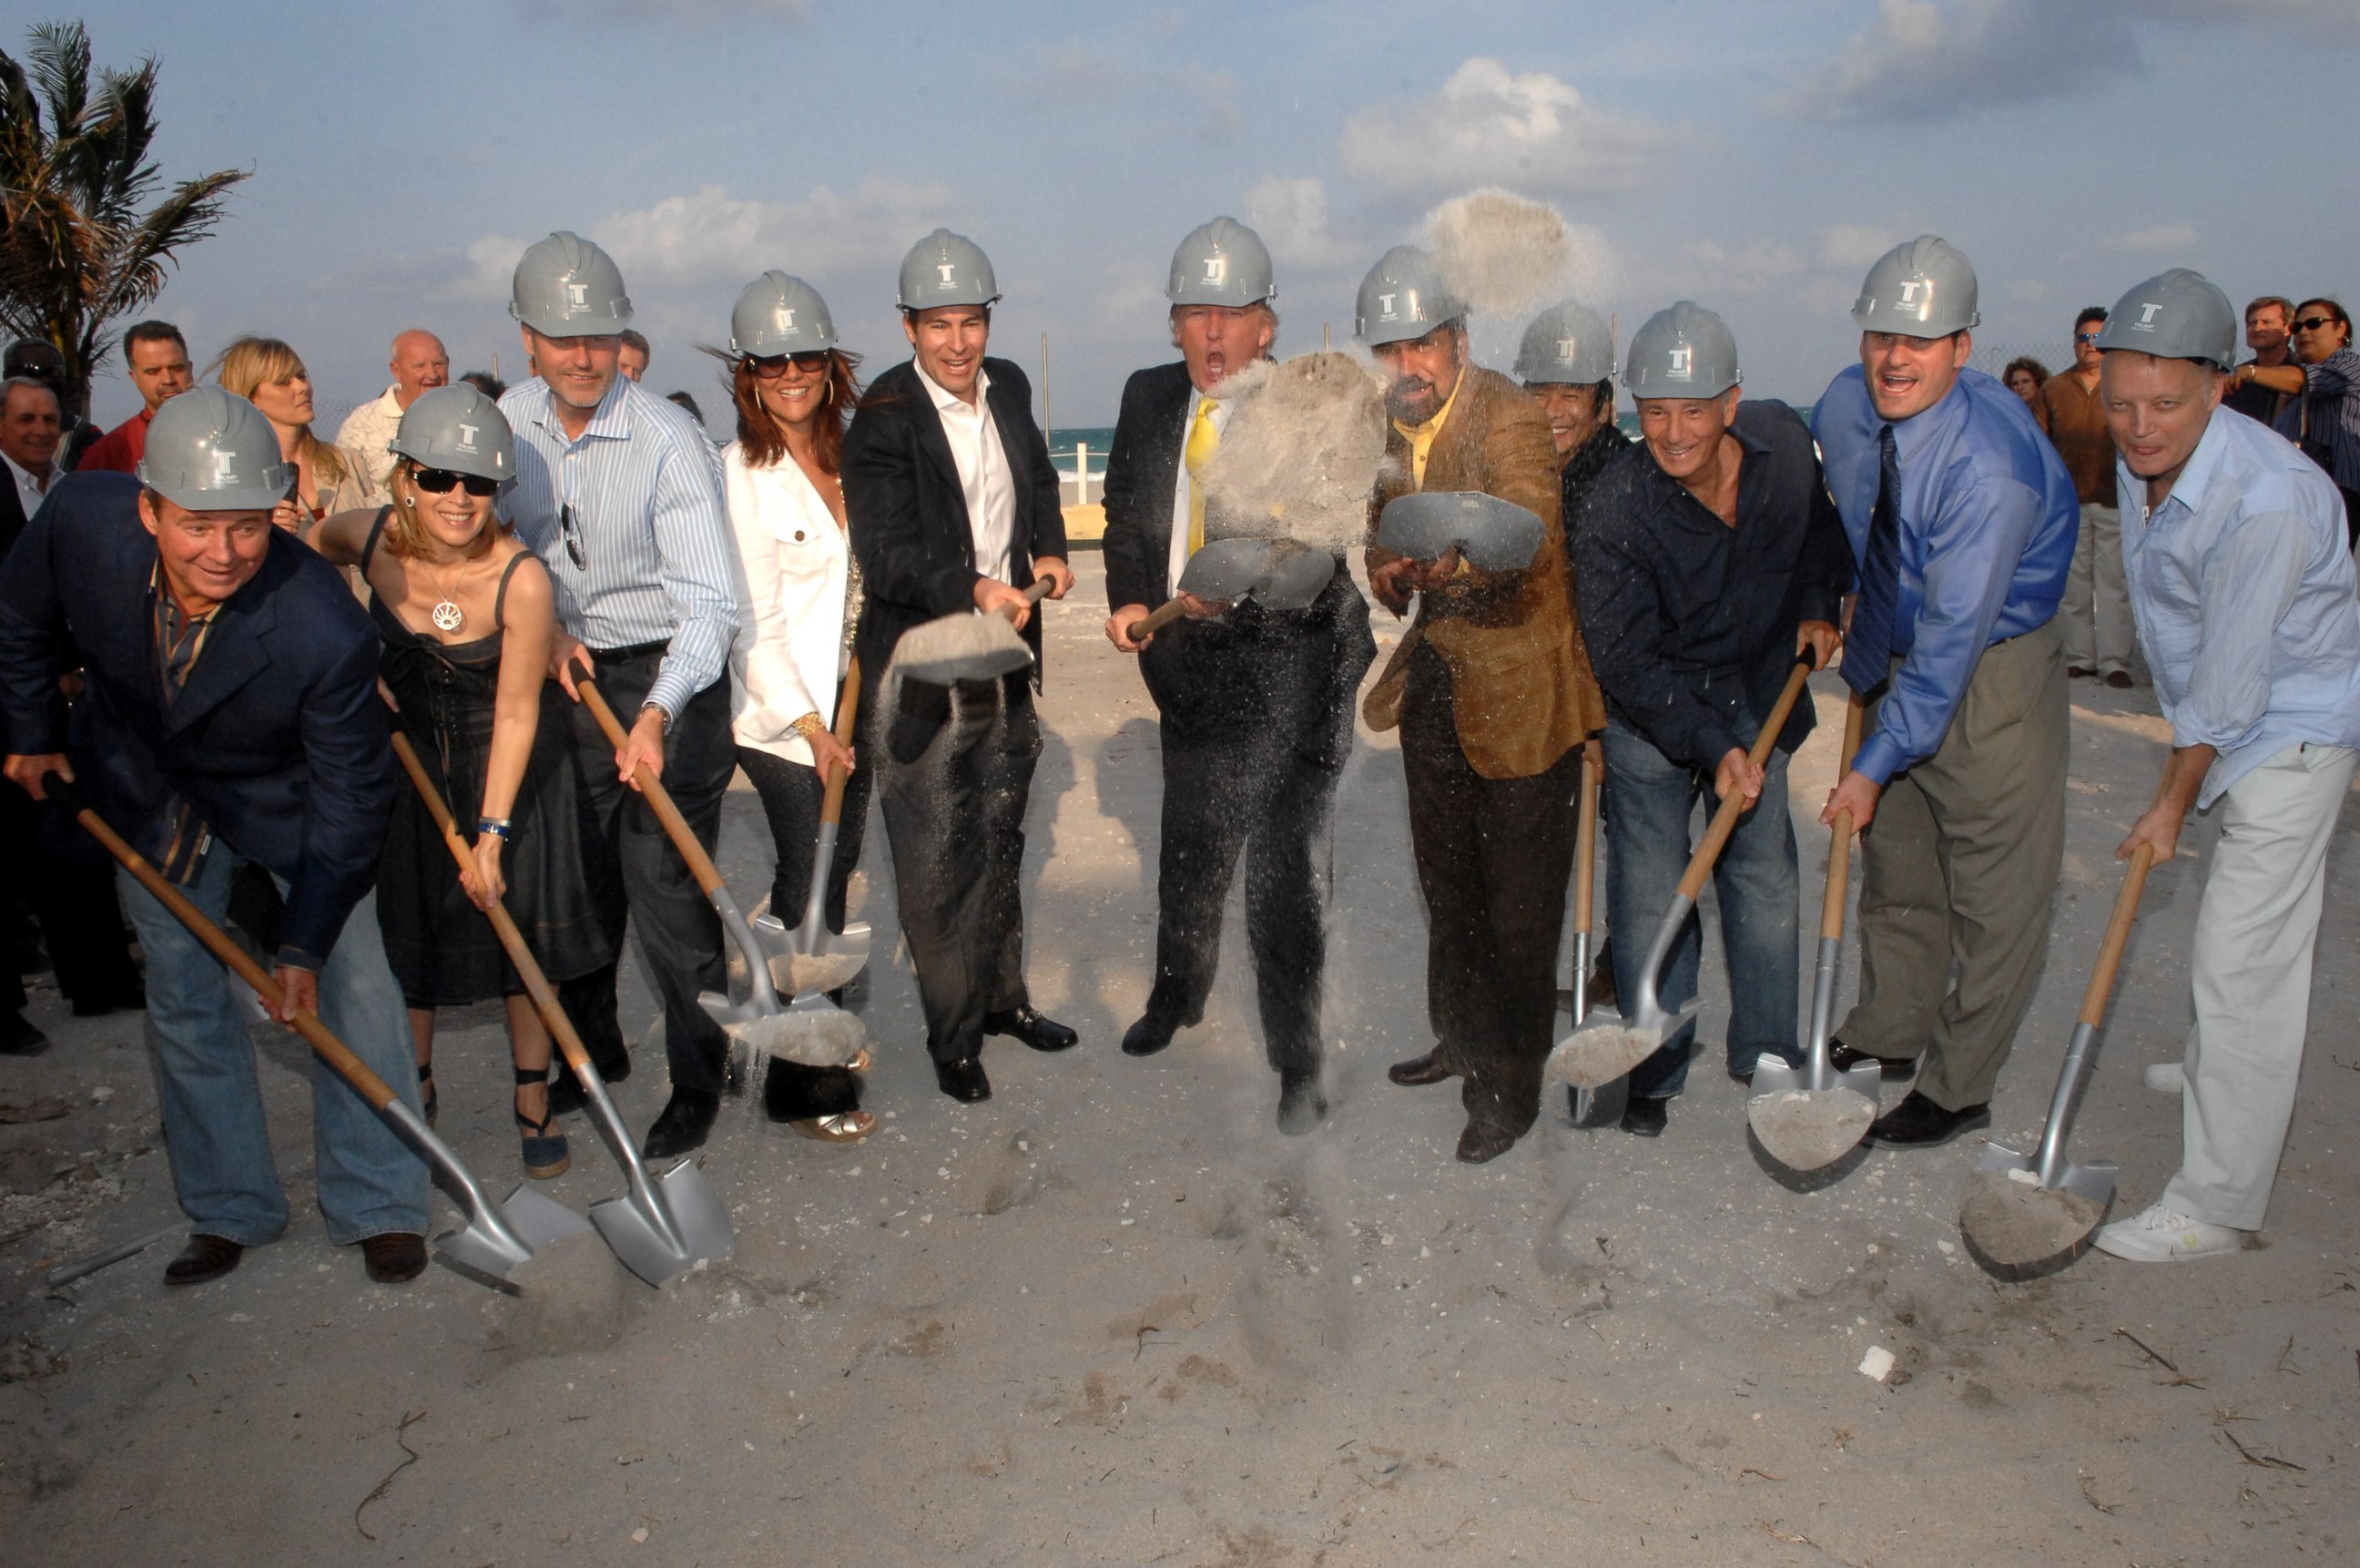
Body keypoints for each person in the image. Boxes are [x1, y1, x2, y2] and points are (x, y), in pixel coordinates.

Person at [0, 388, 431, 1286]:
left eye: (246, 527)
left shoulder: (320, 623)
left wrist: (302, 943)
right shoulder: (82, 520)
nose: (225, 552)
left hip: (286, 794)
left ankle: (381, 1202)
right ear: (149, 508)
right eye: (198, 525)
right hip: (145, 779)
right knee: (187, 993)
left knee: (351, 979)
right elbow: (21, 615)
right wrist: (34, 730)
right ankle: (230, 1205)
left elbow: (354, 798)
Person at [2087, 270, 2360, 1261]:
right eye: (2120, 403)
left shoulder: (2269, 501)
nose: (2140, 426)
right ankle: (2218, 1064)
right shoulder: (2143, 455)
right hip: (2227, 712)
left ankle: (2217, 1206)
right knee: (2232, 939)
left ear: (2218, 387)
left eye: (2164, 404)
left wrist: (2169, 801)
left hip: (2290, 728)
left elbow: (2236, 687)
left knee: (2246, 960)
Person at [1100, 217, 1375, 1134]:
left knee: (1284, 871)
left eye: (1233, 313)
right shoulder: (1148, 398)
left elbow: (1326, 540)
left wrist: (1253, 578)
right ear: (1173, 324)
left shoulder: (1308, 407)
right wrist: (1133, 601)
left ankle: (1297, 1060)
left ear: (1269, 326)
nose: (1213, 335)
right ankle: (1178, 994)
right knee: (1188, 846)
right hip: (1187, 658)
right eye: (1194, 314)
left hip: (1289, 657)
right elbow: (1126, 517)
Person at [1813, 235, 2079, 1150]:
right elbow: (1842, 520)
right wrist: (1839, 602)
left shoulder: (1987, 469)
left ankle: (1960, 1087)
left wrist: (1873, 762)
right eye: (1882, 334)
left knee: (1996, 896)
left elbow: (1955, 643)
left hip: (1992, 675)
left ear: (1962, 347)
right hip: (1896, 643)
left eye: (1920, 342)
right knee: (1899, 866)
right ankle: (1889, 1028)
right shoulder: (1847, 405)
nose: (1894, 357)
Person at [311, 385, 614, 1178]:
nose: (458, 498)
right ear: (405, 476)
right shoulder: (368, 535)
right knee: (409, 937)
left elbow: (518, 713)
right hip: (410, 766)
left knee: (521, 945)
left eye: (478, 483)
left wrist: (492, 834)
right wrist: (345, 657)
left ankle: (532, 1100)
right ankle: (416, 1096)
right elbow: (309, 552)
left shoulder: (520, 578)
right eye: (440, 477)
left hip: (509, 774)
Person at [1575, 302, 1851, 1135]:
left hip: (1759, 686)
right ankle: (1654, 1066)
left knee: (1763, 874)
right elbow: (1624, 660)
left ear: (1732, 405)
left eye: (1693, 410)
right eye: (1654, 411)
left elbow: (1820, 536)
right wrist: (1712, 744)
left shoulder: (1784, 456)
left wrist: (1814, 603)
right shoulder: (1615, 507)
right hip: (1653, 713)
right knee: (1653, 886)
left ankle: (1767, 1051)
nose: (1673, 432)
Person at [497, 231, 741, 1157]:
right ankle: (595, 1047)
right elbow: (476, 544)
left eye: (600, 336)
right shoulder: (507, 426)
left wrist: (653, 716)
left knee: (666, 891)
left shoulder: (668, 440)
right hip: (559, 671)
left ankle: (697, 1078)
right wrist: (542, 625)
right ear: (528, 338)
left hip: (667, 676)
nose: (585, 356)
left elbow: (710, 609)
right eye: (564, 339)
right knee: (574, 878)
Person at [1358, 245, 1589, 1164]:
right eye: (1392, 348)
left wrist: (1453, 561)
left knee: (1519, 905)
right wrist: (1386, 568)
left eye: (1424, 345)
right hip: (1437, 681)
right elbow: (1384, 524)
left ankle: (1510, 1090)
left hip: (1524, 689)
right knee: (1447, 882)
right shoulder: (1390, 424)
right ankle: (1457, 1037)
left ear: (1458, 337)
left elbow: (1526, 527)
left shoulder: (1511, 416)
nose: (1408, 365)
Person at [840, 228, 1076, 1105]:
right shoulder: (882, 418)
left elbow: (1041, 484)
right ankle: (953, 1036)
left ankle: (1004, 1001)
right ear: (908, 327)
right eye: (937, 324)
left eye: (969, 321)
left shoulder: (1007, 386)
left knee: (1002, 840)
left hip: (1008, 665)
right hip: (926, 678)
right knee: (936, 859)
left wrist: (1047, 554)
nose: (957, 343)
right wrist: (974, 585)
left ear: (988, 321)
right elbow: (888, 552)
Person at [717, 270, 874, 1142]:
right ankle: (801, 1079)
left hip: (856, 701)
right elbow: (754, 620)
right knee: (811, 880)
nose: (789, 373)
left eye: (804, 356)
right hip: (785, 721)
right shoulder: (742, 472)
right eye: (769, 360)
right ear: (747, 371)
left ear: (829, 360)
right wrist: (810, 729)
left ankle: (800, 1025)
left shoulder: (855, 450)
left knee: (836, 877)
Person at [0, 375, 147, 1030]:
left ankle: (100, 981)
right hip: (20, 704)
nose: (38, 430)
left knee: (79, 842)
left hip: (78, 700)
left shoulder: (64, 490)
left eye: (48, 420)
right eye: (24, 418)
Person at [1514, 299, 1621, 1018]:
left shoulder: (1628, 482)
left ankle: (1623, 971)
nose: (1553, 409)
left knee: (1642, 847)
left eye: (1571, 395)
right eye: (1540, 392)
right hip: (1544, 690)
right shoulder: (1516, 475)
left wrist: (1600, 714)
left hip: (1622, 694)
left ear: (1604, 406)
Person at [2036, 307, 2133, 687]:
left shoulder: (2124, 388)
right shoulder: (2054, 389)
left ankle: (2115, 660)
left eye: (2097, 338)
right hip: (2069, 503)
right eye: (2083, 337)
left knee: (2114, 584)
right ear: (2074, 342)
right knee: (2074, 584)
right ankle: (2080, 656)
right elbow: (2039, 444)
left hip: (2114, 498)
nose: (2089, 345)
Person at [209, 338, 373, 540]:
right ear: (251, 398)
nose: (302, 387)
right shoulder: (238, 477)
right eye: (283, 382)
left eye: (301, 376)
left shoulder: (348, 461)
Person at [2243, 299, 2360, 545]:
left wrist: (2250, 373)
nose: (2304, 332)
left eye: (2314, 324)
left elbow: (2304, 381)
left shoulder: (2348, 365)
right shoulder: (2293, 376)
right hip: (2301, 491)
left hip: (2338, 488)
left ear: (2341, 329)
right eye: (2297, 328)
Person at [333, 330, 452, 503]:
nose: (432, 375)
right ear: (396, 370)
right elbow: (344, 492)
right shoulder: (363, 424)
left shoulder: (467, 418)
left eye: (438, 364)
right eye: (420, 366)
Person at [77, 321, 195, 474]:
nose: (168, 379)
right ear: (134, 377)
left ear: (190, 368)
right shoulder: (109, 454)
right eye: (153, 371)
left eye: (177, 368)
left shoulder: (224, 432)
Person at [2, 341, 100, 472]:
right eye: (33, 370)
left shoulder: (86, 439)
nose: (46, 380)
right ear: (7, 376)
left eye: (55, 372)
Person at [2222, 296, 2294, 425]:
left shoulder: (2302, 370)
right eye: (2252, 323)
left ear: (2288, 329)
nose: (2257, 328)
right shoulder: (2235, 379)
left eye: (2267, 322)